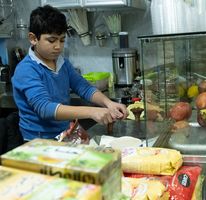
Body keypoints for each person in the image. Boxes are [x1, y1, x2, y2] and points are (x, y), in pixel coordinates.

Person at [11, 5, 128, 141]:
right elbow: (45, 108)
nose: (58, 46)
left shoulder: (62, 62)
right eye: (51, 40)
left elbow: (83, 87)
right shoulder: (26, 69)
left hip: (64, 135)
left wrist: (108, 103)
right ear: (33, 38)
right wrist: (92, 112)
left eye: (62, 40)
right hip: (37, 142)